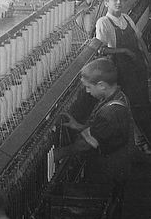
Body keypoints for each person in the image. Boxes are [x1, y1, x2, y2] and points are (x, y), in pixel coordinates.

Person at [95, 0, 151, 155]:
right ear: (107, 3)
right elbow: (100, 49)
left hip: (137, 68)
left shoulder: (126, 19)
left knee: (144, 105)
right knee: (138, 106)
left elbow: (139, 41)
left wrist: (149, 61)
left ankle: (143, 142)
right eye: (115, 0)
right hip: (123, 71)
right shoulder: (103, 23)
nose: (119, 3)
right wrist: (123, 50)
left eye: (122, 0)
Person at [56, 57, 135, 190]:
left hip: (108, 168)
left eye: (88, 87)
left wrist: (59, 154)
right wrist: (79, 126)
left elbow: (85, 145)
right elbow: (102, 131)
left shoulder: (111, 112)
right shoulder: (118, 96)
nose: (87, 91)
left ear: (102, 85)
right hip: (118, 160)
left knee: (105, 195)